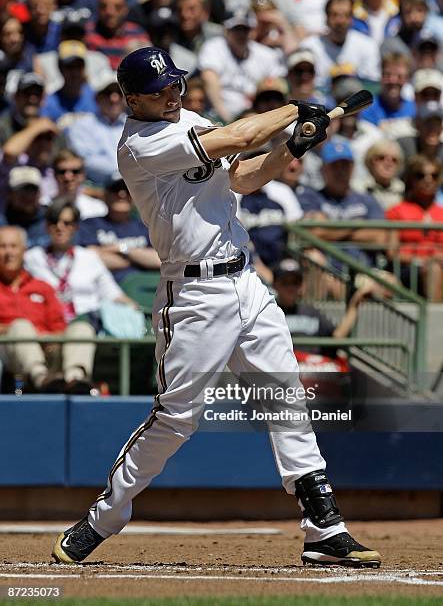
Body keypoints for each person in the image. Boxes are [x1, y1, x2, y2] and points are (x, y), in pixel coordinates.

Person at [51, 46, 381, 568]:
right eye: (159, 90)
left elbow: (243, 175)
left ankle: (323, 524)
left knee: (285, 393)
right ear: (130, 98)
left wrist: (293, 148)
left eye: (175, 85)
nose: (171, 95)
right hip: (194, 294)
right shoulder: (138, 145)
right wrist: (297, 108)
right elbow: (239, 136)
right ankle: (101, 518)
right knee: (177, 417)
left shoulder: (187, 118)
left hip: (245, 279)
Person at [24, 198, 136, 389]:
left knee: (81, 330)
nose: (60, 227)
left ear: (75, 227)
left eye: (66, 223)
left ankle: (75, 382)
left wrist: (134, 308)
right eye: (54, 222)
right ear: (46, 226)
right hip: (46, 332)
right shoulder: (32, 258)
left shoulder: (89, 258)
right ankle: (46, 382)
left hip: (82, 326)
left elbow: (113, 294)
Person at [0, 225, 94, 393]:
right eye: (2, 246)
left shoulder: (42, 287)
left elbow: (58, 325)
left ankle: (76, 380)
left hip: (48, 349)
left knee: (82, 328)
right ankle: (41, 379)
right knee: (21, 326)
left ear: (23, 250)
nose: (9, 252)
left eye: (13, 246)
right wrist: (22, 331)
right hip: (10, 352)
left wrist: (49, 340)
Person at [298, 138, 386, 266]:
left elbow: (380, 238)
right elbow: (313, 233)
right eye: (334, 166)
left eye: (345, 165)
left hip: (365, 272)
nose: (340, 171)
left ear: (353, 168)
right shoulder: (311, 197)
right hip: (328, 272)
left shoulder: (367, 199)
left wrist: (329, 230)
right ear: (323, 169)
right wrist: (356, 224)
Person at [198, 9, 286, 122]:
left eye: (245, 29)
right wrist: (227, 120)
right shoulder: (215, 48)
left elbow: (278, 85)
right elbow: (209, 79)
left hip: (256, 115)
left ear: (253, 31)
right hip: (219, 117)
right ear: (226, 30)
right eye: (236, 29)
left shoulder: (265, 54)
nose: (241, 34)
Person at [78, 174, 160, 283]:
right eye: (116, 189)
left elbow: (159, 260)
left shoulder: (146, 227)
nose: (122, 194)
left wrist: (121, 249)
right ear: (105, 195)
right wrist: (138, 258)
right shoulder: (89, 225)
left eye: (127, 189)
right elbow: (88, 258)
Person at [386, 155, 443, 301]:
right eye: (420, 175)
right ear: (411, 179)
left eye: (434, 175)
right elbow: (392, 253)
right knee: (433, 269)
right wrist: (421, 260)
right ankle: (435, 320)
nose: (428, 180)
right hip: (409, 270)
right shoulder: (396, 211)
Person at [299, 0, 380, 92]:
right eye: (335, 15)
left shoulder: (367, 45)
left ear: (352, 19)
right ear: (326, 18)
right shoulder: (310, 47)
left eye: (345, 15)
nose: (340, 21)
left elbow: (372, 85)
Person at [65, 70, 126, 187]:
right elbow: (86, 161)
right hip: (95, 188)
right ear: (97, 98)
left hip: (134, 189)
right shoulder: (81, 126)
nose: (114, 98)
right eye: (108, 93)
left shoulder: (136, 125)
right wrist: (126, 172)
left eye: (119, 92)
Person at [40, 40, 98, 127]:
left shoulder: (97, 99)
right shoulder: (49, 103)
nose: (75, 72)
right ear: (60, 68)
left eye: (79, 66)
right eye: (69, 67)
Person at [85, 0, 150, 70]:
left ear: (125, 9)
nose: (110, 12)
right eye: (103, 7)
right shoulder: (87, 33)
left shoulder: (138, 34)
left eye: (117, 7)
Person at [359, 51, 415, 139]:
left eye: (399, 76)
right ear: (381, 76)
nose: (393, 80)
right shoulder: (367, 109)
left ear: (407, 79)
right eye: (388, 75)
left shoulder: (413, 109)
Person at [46, 149, 108, 219]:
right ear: (54, 174)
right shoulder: (44, 205)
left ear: (83, 175)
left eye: (75, 171)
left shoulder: (98, 209)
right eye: (62, 172)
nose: (68, 177)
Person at [352, 139, 404, 211]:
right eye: (381, 158)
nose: (388, 163)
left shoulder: (403, 191)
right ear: (370, 161)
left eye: (394, 160)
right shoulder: (357, 188)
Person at [4, 166, 48, 248]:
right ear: (10, 194)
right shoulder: (2, 222)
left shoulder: (52, 220)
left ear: (40, 193)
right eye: (21, 190)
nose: (28, 196)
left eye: (32, 190)